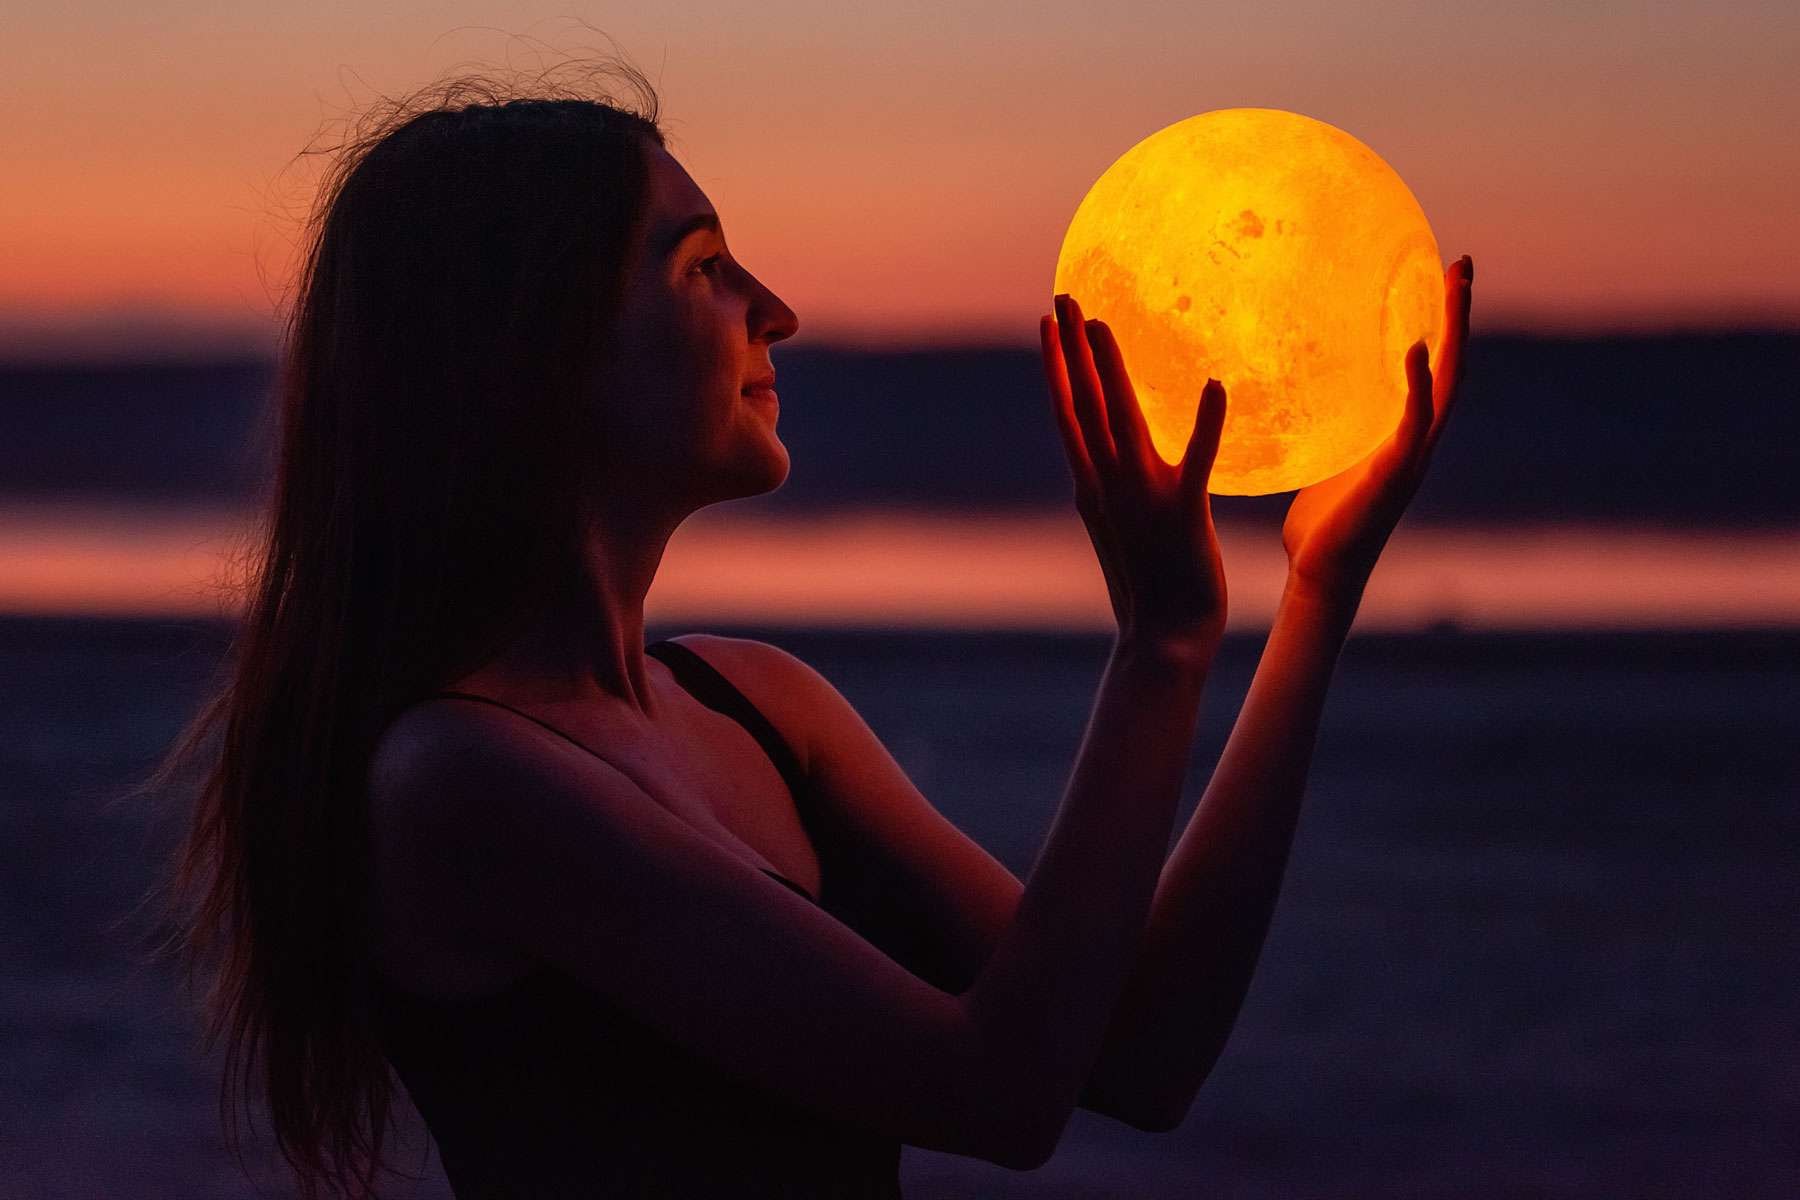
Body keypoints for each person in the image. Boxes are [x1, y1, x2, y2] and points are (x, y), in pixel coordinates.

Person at [164, 68, 1473, 1199]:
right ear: (538, 347)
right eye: (703, 267)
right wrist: (1162, 648)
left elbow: (1140, 1056)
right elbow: (999, 1094)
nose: (774, 308)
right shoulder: (459, 783)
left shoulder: (761, 705)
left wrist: (1314, 596)